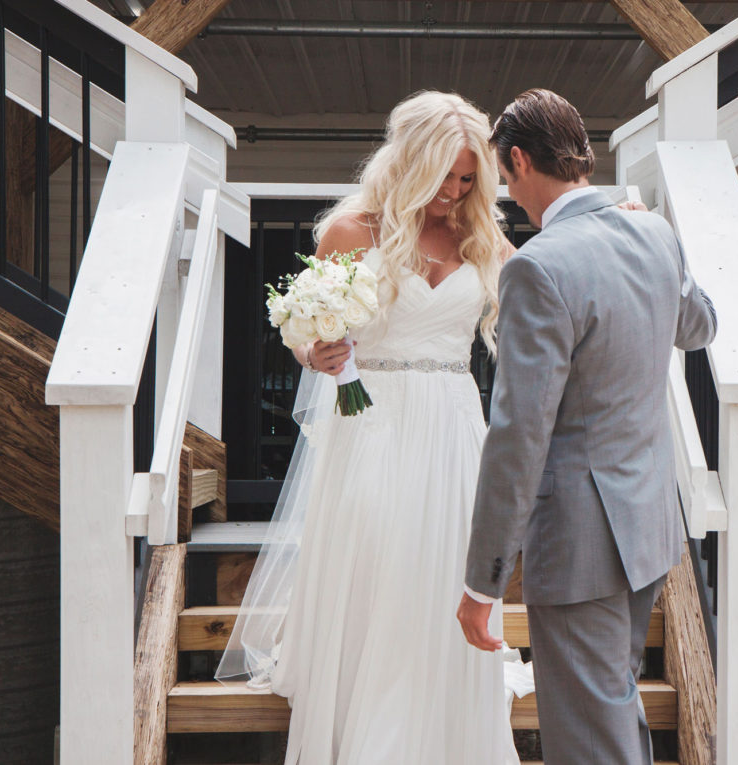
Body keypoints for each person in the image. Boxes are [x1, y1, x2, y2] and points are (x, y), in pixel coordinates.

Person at [217, 91, 523, 765]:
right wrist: (313, 352)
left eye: (468, 178)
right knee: (385, 559)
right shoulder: (352, 230)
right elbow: (307, 330)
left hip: (451, 422)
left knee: (446, 566)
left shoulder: (480, 234)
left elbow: (546, 277)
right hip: (373, 417)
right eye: (443, 175)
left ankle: (442, 727)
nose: (453, 190)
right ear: (409, 162)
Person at [458, 89, 718, 764]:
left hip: (579, 545)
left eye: (506, 178)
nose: (509, 193)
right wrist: (662, 249)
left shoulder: (538, 267)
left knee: (589, 738)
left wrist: (482, 581)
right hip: (648, 527)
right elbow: (702, 323)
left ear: (517, 161)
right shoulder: (654, 232)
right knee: (611, 708)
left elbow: (518, 435)